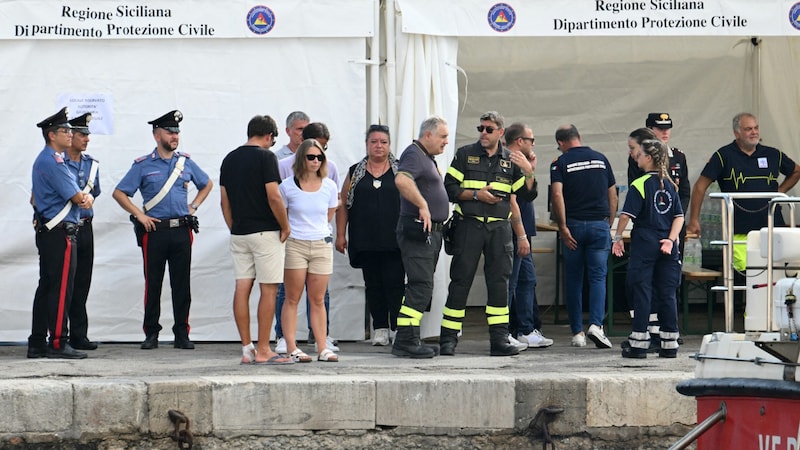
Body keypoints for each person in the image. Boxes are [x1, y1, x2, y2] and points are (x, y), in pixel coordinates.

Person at [112, 110, 213, 350]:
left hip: (180, 230)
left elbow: (206, 183)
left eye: (177, 132)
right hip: (154, 231)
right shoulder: (143, 165)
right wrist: (139, 215)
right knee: (153, 284)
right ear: (157, 135)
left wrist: (194, 206)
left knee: (182, 285)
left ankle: (182, 333)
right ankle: (151, 333)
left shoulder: (185, 162)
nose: (175, 136)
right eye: (170, 132)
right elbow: (119, 192)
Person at [439, 111, 536, 357]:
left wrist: (529, 172)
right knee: (460, 282)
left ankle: (499, 340)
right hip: (468, 226)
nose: (483, 133)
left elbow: (526, 195)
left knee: (499, 285)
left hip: (499, 230)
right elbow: (449, 188)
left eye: (489, 129)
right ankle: (448, 339)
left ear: (500, 133)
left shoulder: (511, 160)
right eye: (480, 128)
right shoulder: (464, 154)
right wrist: (475, 195)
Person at [219, 115, 293, 365]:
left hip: (240, 232)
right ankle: (264, 349)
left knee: (242, 287)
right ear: (270, 136)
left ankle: (246, 348)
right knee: (269, 289)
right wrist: (285, 226)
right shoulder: (266, 157)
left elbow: (224, 200)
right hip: (265, 232)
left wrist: (234, 227)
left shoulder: (229, 158)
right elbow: (273, 196)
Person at [687, 112, 800, 272]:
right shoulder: (723, 155)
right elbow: (700, 186)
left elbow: (796, 171)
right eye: (748, 129)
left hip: (772, 225)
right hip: (739, 229)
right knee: (748, 276)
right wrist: (694, 220)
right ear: (737, 133)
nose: (754, 132)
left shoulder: (772, 154)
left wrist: (780, 191)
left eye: (756, 128)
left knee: (775, 274)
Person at [29, 107, 93, 359]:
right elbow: (77, 196)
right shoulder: (53, 161)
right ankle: (57, 341)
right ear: (52, 135)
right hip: (60, 232)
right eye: (65, 131)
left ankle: (37, 341)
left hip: (51, 231)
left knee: (47, 286)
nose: (70, 134)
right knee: (60, 288)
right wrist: (84, 198)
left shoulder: (48, 159)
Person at [613, 139, 684, 359]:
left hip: (645, 243)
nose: (637, 157)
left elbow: (626, 216)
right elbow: (679, 217)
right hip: (667, 245)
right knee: (667, 294)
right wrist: (670, 240)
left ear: (649, 158)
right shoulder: (671, 185)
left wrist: (617, 238)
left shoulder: (640, 184)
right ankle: (669, 344)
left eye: (640, 154)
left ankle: (639, 343)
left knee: (642, 290)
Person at [274, 122, 340, 353]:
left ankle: (322, 346)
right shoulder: (287, 186)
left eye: (319, 157)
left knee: (318, 299)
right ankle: (291, 345)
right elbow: (282, 214)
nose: (315, 162)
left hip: (321, 243)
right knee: (291, 297)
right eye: (311, 157)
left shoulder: (329, 186)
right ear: (301, 158)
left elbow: (329, 214)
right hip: (296, 244)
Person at [550, 124, 617, 349]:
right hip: (599, 224)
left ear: (560, 143)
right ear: (580, 136)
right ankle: (597, 325)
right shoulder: (601, 159)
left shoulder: (560, 163)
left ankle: (577, 332)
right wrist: (609, 221)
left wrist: (562, 226)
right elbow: (612, 193)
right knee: (598, 278)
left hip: (574, 226)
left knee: (574, 280)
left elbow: (557, 194)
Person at [336, 124, 403, 347]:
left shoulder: (400, 170)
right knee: (373, 284)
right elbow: (343, 204)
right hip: (366, 239)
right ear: (367, 144)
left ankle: (397, 328)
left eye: (383, 142)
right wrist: (340, 234)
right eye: (374, 141)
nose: (378, 146)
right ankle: (380, 328)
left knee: (395, 284)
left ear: (389, 145)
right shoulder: (355, 172)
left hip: (394, 240)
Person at [392, 116, 450, 358]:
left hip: (431, 233)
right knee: (420, 285)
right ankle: (405, 340)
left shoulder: (427, 157)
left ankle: (409, 336)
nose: (446, 141)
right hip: (418, 231)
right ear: (428, 135)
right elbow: (402, 179)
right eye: (443, 136)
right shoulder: (414, 154)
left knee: (422, 286)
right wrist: (423, 205)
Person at [504, 123, 553, 348]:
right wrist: (521, 235)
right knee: (511, 282)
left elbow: (529, 194)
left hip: (524, 229)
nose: (533, 144)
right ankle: (505, 331)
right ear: (520, 141)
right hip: (515, 231)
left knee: (527, 280)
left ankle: (525, 329)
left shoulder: (522, 163)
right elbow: (513, 199)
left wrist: (530, 169)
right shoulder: (508, 160)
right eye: (531, 140)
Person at [64, 112, 101, 351]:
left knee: (82, 283)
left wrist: (89, 201)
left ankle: (79, 334)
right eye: (81, 134)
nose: (86, 139)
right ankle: (59, 334)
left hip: (85, 227)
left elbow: (94, 192)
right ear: (71, 136)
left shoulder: (91, 164)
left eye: (87, 135)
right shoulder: (58, 162)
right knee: (64, 283)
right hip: (66, 228)